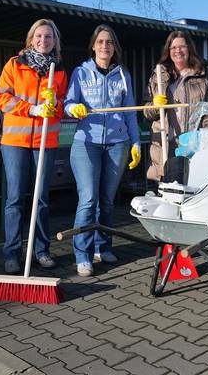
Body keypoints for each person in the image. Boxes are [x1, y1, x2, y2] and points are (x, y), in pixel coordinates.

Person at [64, 24, 141, 276]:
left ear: (114, 47)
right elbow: (68, 102)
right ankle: (82, 255)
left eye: (109, 42)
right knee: (88, 200)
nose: (105, 46)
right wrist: (73, 108)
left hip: (117, 144)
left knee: (107, 201)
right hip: (86, 143)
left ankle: (103, 246)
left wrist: (136, 143)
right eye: (100, 42)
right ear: (93, 45)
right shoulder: (80, 73)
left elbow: (130, 114)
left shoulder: (123, 76)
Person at [0, 18, 68, 274]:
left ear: (54, 41)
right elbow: (1, 98)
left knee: (41, 200)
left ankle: (41, 251)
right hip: (15, 142)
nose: (43, 41)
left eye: (48, 37)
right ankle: (12, 254)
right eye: (39, 36)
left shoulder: (58, 71)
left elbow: (62, 108)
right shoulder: (15, 65)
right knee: (15, 198)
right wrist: (33, 109)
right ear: (31, 39)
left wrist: (54, 105)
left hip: (45, 143)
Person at [143, 30, 208, 181]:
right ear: (168, 51)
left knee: (194, 188)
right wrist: (154, 106)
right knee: (168, 192)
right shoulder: (159, 76)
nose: (177, 51)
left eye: (182, 46)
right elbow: (145, 111)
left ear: (190, 49)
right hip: (166, 145)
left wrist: (206, 134)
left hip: (194, 144)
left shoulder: (204, 75)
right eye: (173, 48)